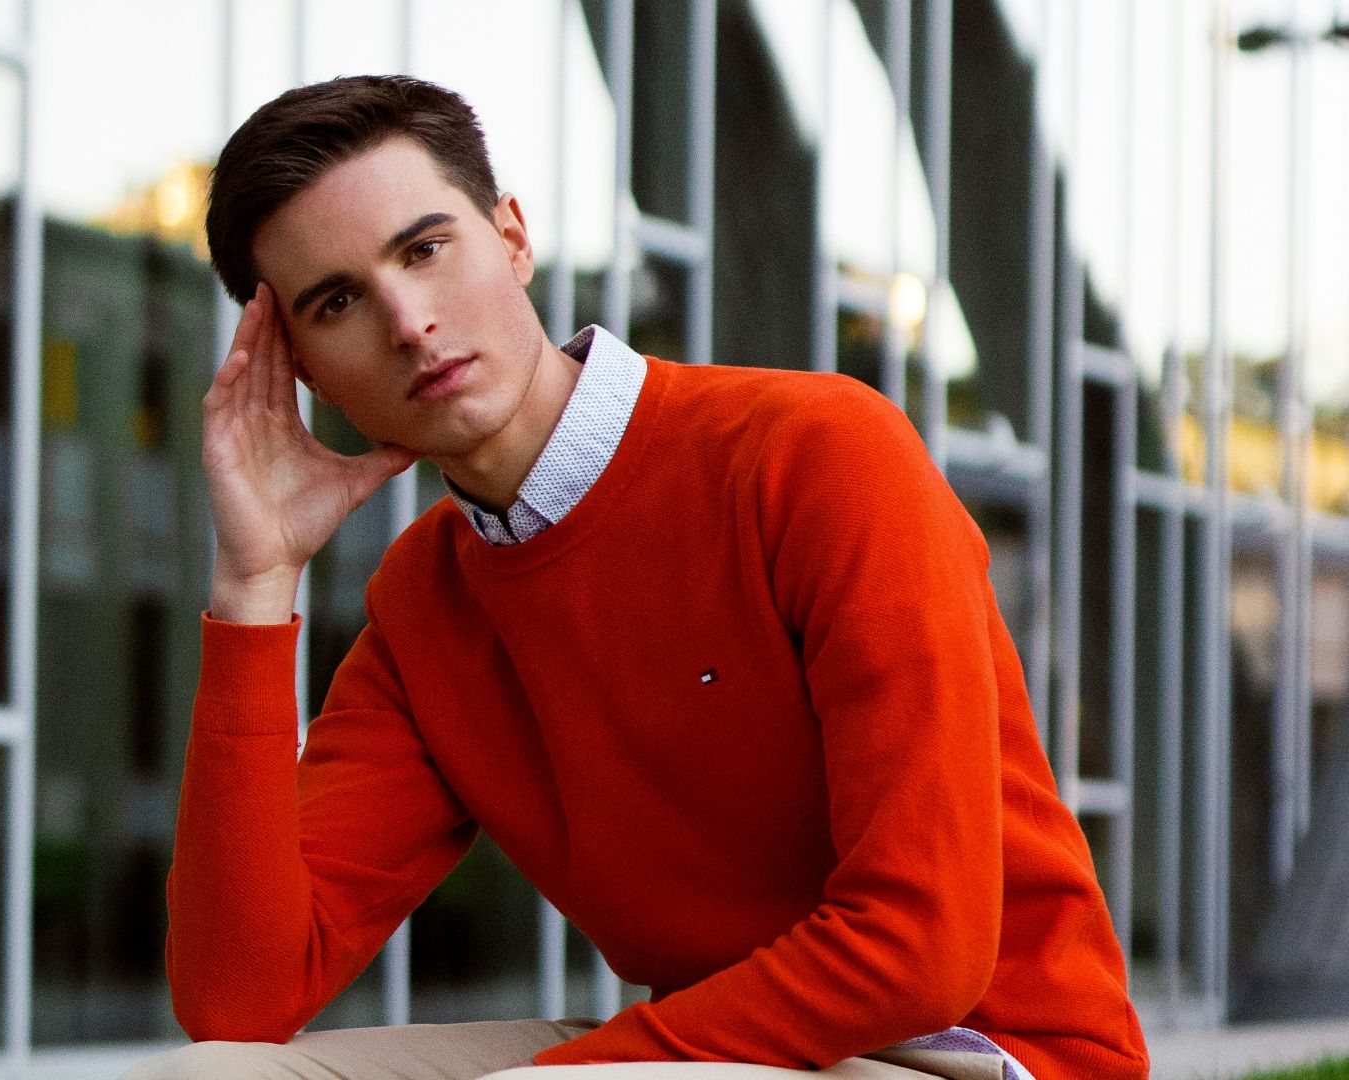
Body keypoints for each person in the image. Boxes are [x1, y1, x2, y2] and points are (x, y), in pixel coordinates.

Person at [119, 75, 1149, 1080]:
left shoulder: (816, 454)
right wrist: (255, 583)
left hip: (985, 1047)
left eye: (425, 249)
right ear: (301, 368)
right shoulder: (424, 603)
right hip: (720, 1049)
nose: (408, 321)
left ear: (512, 238)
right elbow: (239, 1001)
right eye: (339, 301)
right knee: (203, 1078)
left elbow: (921, 947)